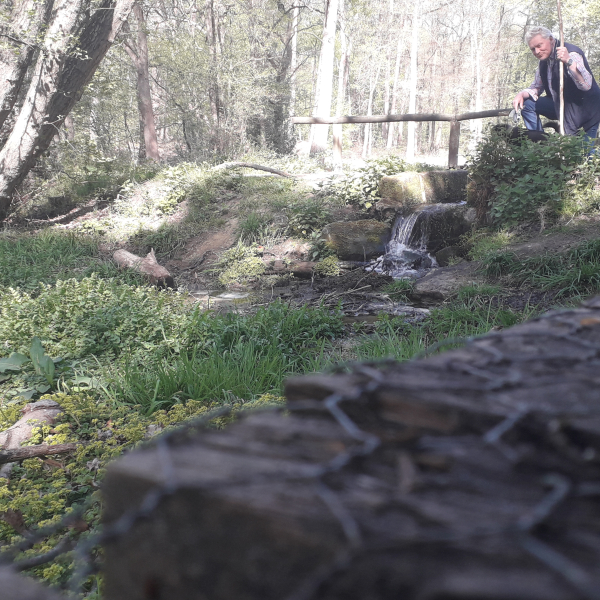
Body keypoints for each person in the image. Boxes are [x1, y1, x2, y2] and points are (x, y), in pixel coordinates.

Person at [512, 26, 600, 143]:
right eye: (533, 49)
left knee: (583, 153)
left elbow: (586, 85)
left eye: (539, 46)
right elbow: (537, 87)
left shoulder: (571, 53)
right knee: (527, 105)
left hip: (586, 110)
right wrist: (522, 94)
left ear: (551, 40)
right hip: (561, 106)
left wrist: (569, 62)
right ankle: (539, 143)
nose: (537, 51)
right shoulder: (543, 62)